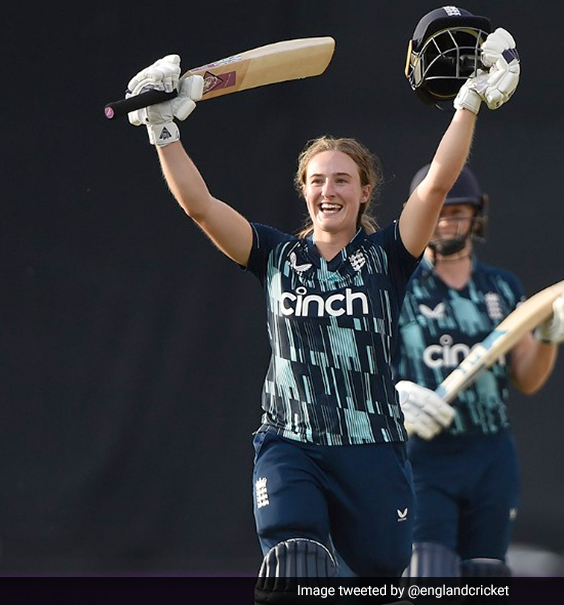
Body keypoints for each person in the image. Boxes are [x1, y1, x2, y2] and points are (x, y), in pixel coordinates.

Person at [120, 17, 521, 592]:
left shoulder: (390, 254)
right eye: (316, 180)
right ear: (303, 191)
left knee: (382, 573)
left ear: (364, 191)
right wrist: (164, 131)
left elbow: (435, 185)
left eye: (341, 180)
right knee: (295, 567)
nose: (327, 190)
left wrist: (470, 103)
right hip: (291, 441)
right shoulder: (275, 255)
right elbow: (201, 207)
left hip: (372, 449)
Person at [393, 166, 564, 578]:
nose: (447, 221)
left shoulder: (502, 288)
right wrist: (392, 398)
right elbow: (359, 368)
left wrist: (547, 337)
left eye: (458, 211)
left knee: (485, 577)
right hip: (420, 458)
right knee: (427, 575)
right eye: (437, 211)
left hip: (489, 455)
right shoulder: (396, 284)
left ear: (477, 215)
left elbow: (527, 379)